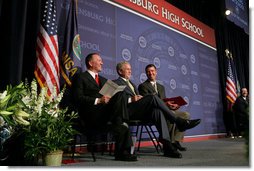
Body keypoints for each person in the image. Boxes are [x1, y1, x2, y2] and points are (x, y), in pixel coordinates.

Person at [113, 61, 201, 158]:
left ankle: (167, 147)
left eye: (130, 69)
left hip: (138, 111)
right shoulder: (115, 83)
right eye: (127, 69)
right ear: (120, 71)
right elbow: (114, 101)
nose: (130, 71)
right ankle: (178, 121)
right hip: (126, 111)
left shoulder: (132, 84)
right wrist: (130, 99)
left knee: (157, 111)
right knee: (152, 97)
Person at [72, 53, 137, 161]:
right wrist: (98, 100)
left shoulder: (103, 79)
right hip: (90, 114)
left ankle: (122, 151)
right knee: (121, 123)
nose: (102, 63)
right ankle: (122, 151)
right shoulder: (80, 77)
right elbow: (77, 98)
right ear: (90, 63)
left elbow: (111, 97)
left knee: (121, 93)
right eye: (99, 60)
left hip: (105, 113)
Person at [138, 64, 190, 151]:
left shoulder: (161, 87)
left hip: (165, 110)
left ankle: (175, 140)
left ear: (156, 72)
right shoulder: (142, 86)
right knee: (170, 116)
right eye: (148, 72)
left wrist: (172, 106)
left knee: (185, 115)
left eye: (152, 71)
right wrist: (166, 105)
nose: (151, 73)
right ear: (146, 74)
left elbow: (164, 101)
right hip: (153, 113)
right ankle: (168, 142)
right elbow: (150, 103)